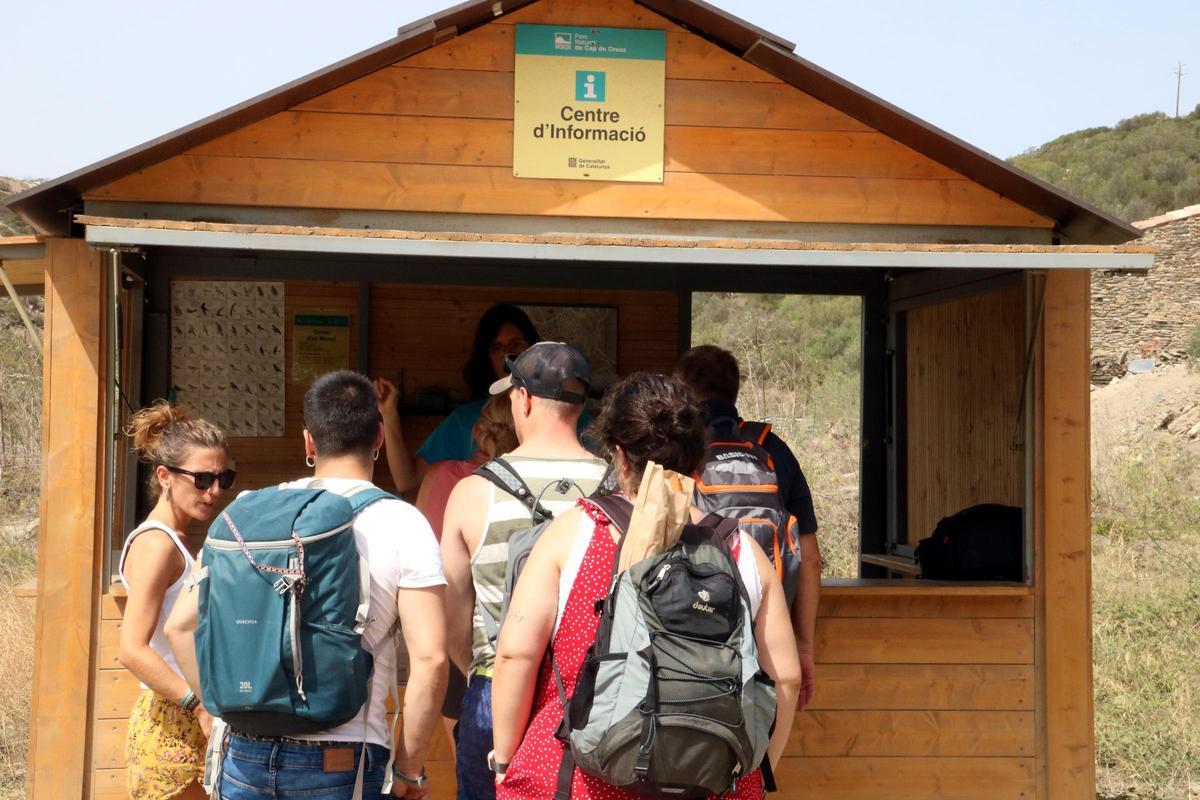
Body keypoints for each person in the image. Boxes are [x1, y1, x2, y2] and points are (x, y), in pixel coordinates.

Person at [490, 372, 802, 799]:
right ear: (698, 465)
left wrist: (505, 759)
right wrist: (751, 771)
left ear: (618, 455)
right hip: (712, 783)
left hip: (577, 780)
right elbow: (786, 679)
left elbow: (515, 655)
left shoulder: (575, 533)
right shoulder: (741, 550)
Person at [166, 371, 448, 799]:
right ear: (377, 436)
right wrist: (408, 769)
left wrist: (216, 709)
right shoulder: (403, 522)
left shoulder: (247, 513)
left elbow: (179, 627)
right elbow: (431, 660)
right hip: (344, 759)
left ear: (308, 443)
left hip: (241, 751)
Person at [440, 342, 609, 800]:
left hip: (496, 696)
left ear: (523, 398)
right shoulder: (618, 487)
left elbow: (453, 618)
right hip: (595, 699)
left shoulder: (473, 492)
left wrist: (486, 669)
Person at [675, 344, 821, 709]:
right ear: (734, 390)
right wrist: (802, 645)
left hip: (690, 633)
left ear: (684, 390)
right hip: (766, 636)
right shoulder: (773, 450)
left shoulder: (678, 449)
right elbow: (811, 559)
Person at [117, 401, 232, 800]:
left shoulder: (177, 540)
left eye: (223, 478)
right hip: (173, 720)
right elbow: (131, 649)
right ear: (165, 476)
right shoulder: (156, 544)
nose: (214, 491)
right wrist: (197, 705)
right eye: (202, 479)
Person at [414, 391, 518, 762]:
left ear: (476, 431)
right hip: (509, 637)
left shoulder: (441, 475)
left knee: (467, 765)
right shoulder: (518, 489)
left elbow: (420, 549)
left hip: (444, 629)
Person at [377, 304, 540, 494]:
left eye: (516, 345)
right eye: (497, 348)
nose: (507, 356)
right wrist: (388, 414)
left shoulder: (555, 410)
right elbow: (407, 480)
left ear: (533, 348)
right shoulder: (466, 419)